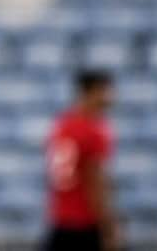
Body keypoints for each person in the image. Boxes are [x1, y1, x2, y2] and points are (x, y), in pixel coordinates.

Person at [45, 70, 119, 251]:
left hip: (61, 219)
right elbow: (95, 181)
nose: (110, 97)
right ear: (92, 91)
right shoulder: (93, 130)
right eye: (105, 90)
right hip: (85, 223)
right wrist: (108, 226)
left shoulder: (62, 125)